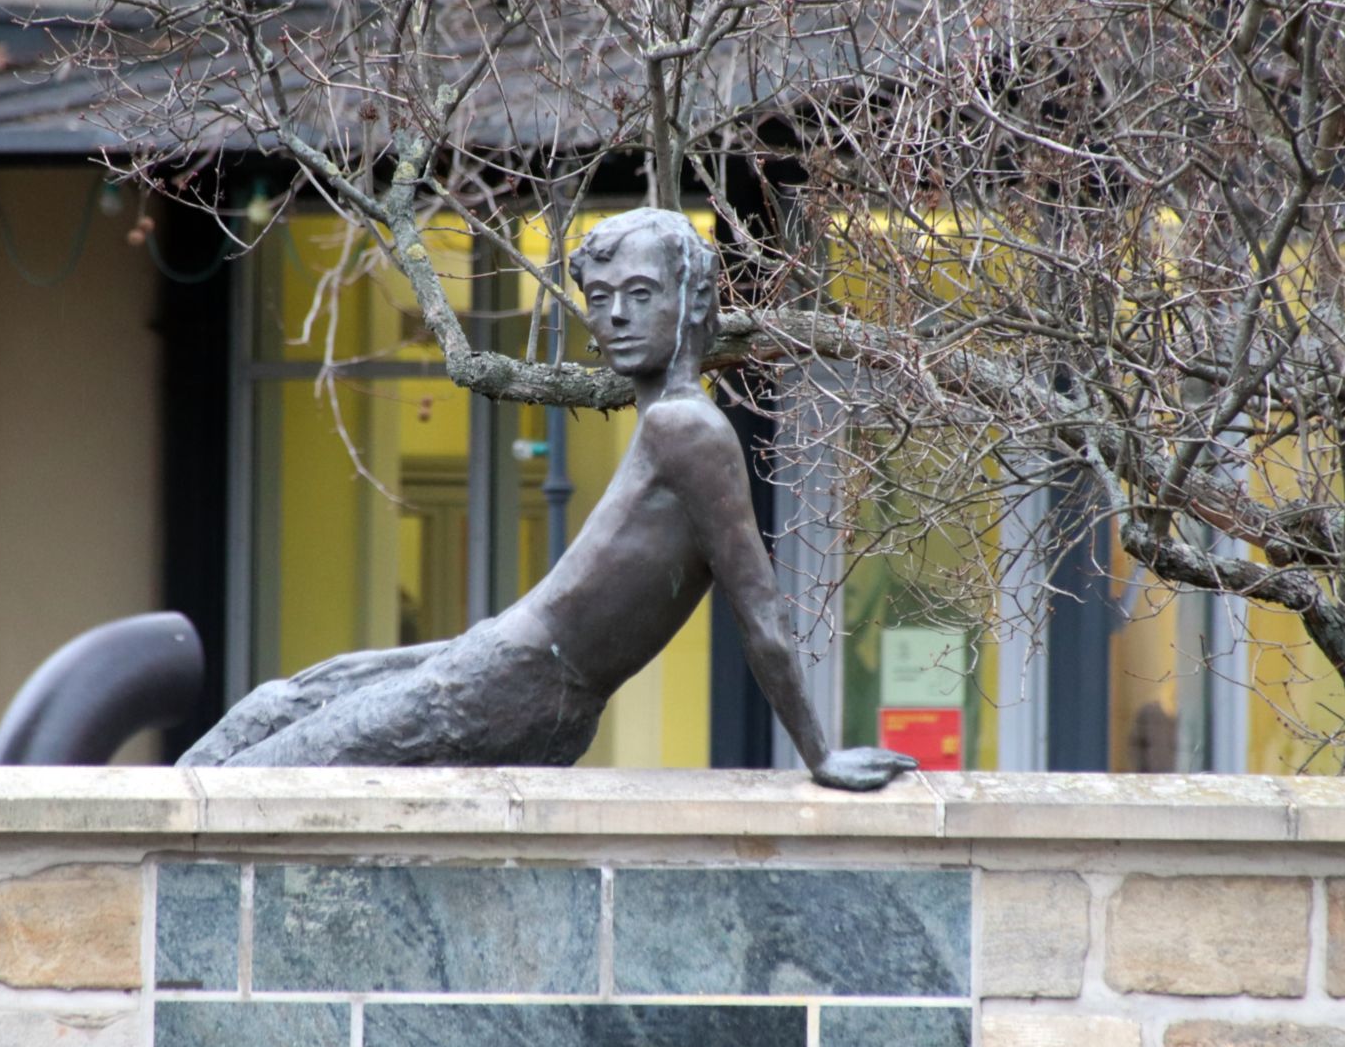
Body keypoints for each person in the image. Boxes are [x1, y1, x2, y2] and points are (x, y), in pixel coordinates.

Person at [179, 208, 918, 791]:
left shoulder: (687, 429)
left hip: (516, 684)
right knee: (281, 701)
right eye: (600, 299)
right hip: (497, 662)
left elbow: (760, 613)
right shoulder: (666, 422)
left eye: (639, 295)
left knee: (277, 761)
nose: (615, 315)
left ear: (694, 302)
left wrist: (819, 756)